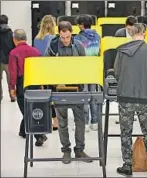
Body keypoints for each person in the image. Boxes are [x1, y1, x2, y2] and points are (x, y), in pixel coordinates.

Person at [114, 23, 147, 177]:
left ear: (130, 33)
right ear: (145, 33)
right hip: (144, 97)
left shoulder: (121, 51)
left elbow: (116, 73)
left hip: (125, 97)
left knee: (125, 132)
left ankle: (127, 165)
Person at [45, 21, 92, 164]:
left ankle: (80, 150)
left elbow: (85, 65)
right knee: (62, 122)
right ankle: (66, 150)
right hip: (59, 89)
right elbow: (46, 65)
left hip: (77, 88)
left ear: (71, 33)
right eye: (63, 37)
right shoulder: (52, 47)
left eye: (68, 37)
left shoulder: (78, 45)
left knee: (80, 121)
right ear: (59, 34)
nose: (65, 40)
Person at [8, 29, 48, 146]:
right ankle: (23, 131)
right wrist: (41, 84)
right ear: (25, 38)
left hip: (22, 83)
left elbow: (13, 73)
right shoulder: (36, 51)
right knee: (33, 106)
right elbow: (40, 70)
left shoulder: (14, 53)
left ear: (14, 39)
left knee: (26, 109)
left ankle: (39, 135)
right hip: (35, 81)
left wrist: (12, 87)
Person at [74, 14, 101, 131]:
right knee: (93, 94)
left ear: (81, 25)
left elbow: (77, 54)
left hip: (83, 68)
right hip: (94, 68)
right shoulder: (98, 36)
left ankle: (85, 123)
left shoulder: (78, 38)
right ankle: (94, 122)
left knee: (84, 96)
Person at [33, 15, 59, 131]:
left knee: (43, 95)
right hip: (52, 70)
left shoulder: (36, 39)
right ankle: (55, 121)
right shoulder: (54, 39)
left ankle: (44, 119)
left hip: (40, 70)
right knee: (53, 94)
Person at [0, 14, 15, 102]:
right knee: (11, 80)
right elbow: (13, 46)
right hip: (9, 60)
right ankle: (12, 96)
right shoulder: (11, 33)